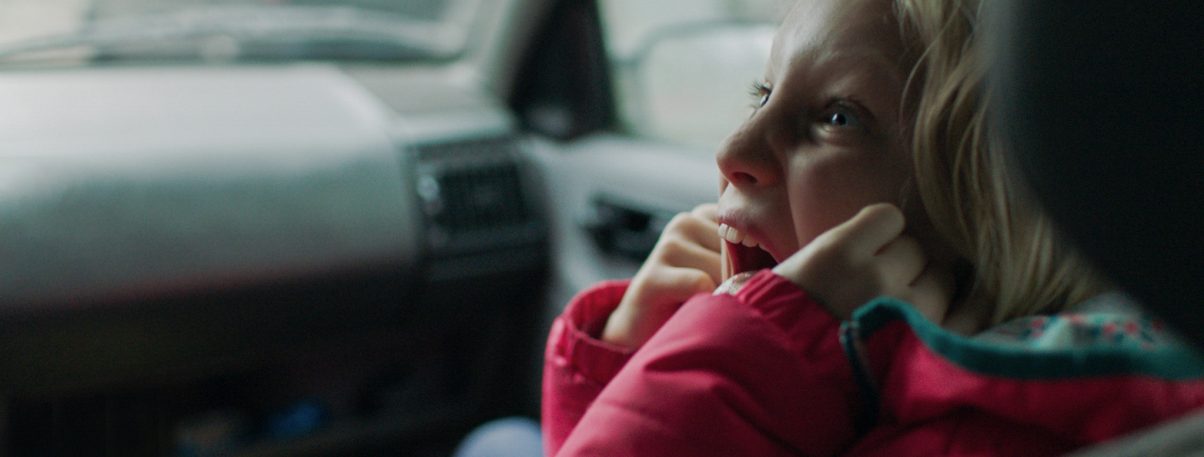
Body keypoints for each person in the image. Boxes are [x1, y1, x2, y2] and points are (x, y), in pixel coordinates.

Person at [541, 0, 1204, 455]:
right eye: (761, 94)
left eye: (837, 118)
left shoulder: (972, 439)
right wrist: (634, 360)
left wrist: (752, 355)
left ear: (992, 218)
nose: (733, 150)